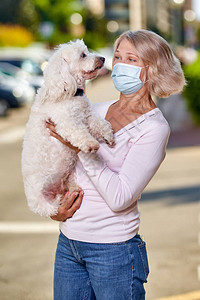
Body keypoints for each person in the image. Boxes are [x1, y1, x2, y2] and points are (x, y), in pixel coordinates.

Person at [46, 29, 185, 300]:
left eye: (132, 59)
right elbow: (67, 171)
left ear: (152, 69)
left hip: (113, 251)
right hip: (68, 244)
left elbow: (120, 197)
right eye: (118, 56)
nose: (120, 65)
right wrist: (55, 208)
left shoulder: (154, 129)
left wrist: (82, 148)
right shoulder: (94, 110)